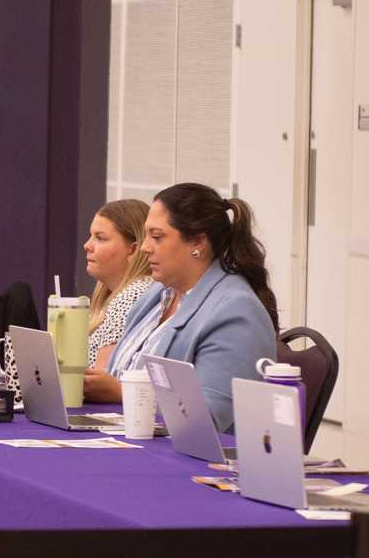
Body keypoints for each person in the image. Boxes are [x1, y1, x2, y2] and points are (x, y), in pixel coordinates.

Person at [85, 183, 278, 429]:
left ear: (198, 242)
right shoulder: (156, 295)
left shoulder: (237, 312)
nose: (144, 247)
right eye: (146, 236)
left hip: (194, 461)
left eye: (157, 237)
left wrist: (123, 393)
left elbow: (209, 417)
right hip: (128, 437)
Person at [83, 199, 157, 370]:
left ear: (132, 249)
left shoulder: (132, 295)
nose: (87, 245)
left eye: (100, 238)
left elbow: (101, 380)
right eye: (91, 236)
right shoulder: (122, 294)